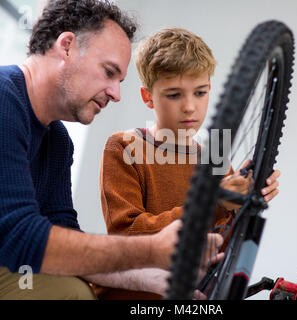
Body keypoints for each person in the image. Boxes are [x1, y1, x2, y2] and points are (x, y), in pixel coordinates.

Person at [0, 0, 223, 300]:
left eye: (119, 81)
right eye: (109, 72)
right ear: (66, 46)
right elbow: (16, 237)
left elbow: (64, 235)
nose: (116, 94)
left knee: (74, 291)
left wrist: (153, 280)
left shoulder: (56, 141)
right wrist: (151, 249)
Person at [98, 28, 281, 300]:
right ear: (147, 97)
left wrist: (245, 193)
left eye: (200, 92)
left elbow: (223, 245)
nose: (189, 107)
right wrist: (213, 204)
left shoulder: (215, 152)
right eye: (174, 95)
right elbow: (127, 235)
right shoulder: (123, 146)